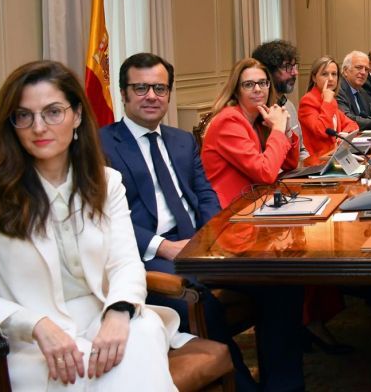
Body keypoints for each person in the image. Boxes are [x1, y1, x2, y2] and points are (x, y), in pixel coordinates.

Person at [0, 60, 187, 390]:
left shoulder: (105, 181)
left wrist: (118, 311)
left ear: (77, 116)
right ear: (12, 124)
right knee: (97, 367)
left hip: (101, 315)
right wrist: (36, 324)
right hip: (30, 344)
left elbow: (126, 263)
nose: (38, 126)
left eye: (53, 112)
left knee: (145, 331)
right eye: (24, 115)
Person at [100, 53, 303, 390]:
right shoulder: (101, 144)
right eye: (141, 88)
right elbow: (105, 218)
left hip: (201, 246)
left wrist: (209, 236)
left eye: (160, 89)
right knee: (200, 302)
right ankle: (240, 387)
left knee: (282, 282)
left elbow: (205, 194)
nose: (151, 96)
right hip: (150, 257)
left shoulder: (179, 140)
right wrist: (163, 246)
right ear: (123, 93)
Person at [201, 58, 300, 206]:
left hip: (254, 202)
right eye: (248, 85)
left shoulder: (260, 118)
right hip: (229, 212)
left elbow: (290, 164)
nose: (258, 89)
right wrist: (277, 129)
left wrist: (285, 130)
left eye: (262, 83)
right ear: (236, 91)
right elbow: (265, 173)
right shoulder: (228, 121)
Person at [298, 55, 360, 166]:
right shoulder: (308, 101)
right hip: (318, 164)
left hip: (335, 159)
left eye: (334, 74)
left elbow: (353, 125)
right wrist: (326, 102)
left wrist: (342, 135)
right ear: (314, 78)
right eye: (324, 74)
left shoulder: (330, 100)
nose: (331, 79)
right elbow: (322, 131)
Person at [251, 40, 306, 162]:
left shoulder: (288, 105)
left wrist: (314, 169)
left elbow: (301, 151)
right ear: (268, 72)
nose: (295, 72)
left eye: (295, 66)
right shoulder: (256, 112)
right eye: (287, 67)